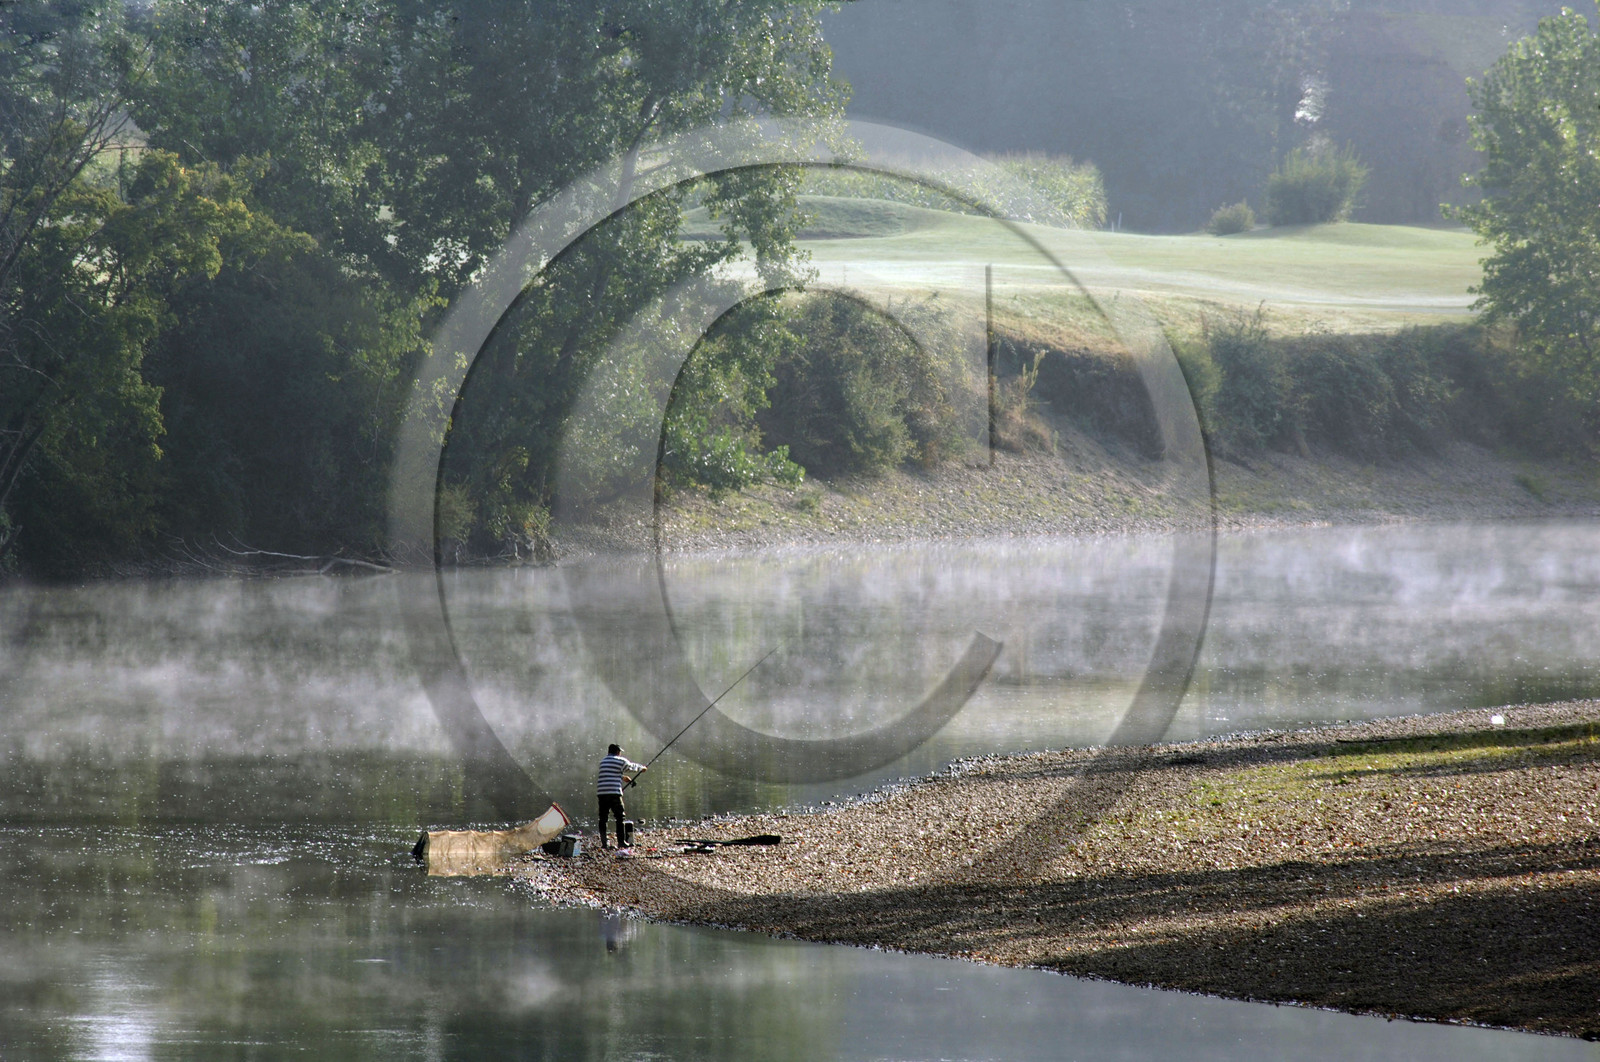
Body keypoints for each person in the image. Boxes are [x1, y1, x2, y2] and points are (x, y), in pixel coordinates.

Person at [596, 743, 645, 849]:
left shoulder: (603, 762)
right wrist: (642, 768)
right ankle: (621, 842)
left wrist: (622, 777)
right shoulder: (620, 761)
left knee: (603, 818)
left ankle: (604, 843)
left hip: (601, 793)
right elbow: (631, 767)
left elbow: (610, 773)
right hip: (614, 793)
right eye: (620, 751)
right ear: (617, 752)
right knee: (620, 817)